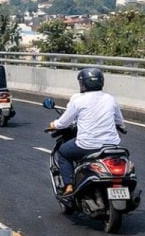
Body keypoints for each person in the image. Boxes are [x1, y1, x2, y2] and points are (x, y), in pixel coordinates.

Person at [48, 67, 125, 196]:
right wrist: (120, 126)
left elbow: (63, 122)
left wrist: (53, 124)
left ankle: (68, 186)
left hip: (87, 145)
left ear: (83, 83)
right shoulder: (110, 99)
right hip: (111, 145)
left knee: (63, 153)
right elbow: (120, 121)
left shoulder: (79, 100)